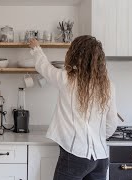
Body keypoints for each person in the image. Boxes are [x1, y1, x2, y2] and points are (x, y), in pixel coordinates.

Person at [28, 35, 118, 180]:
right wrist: (96, 138)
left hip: (75, 155)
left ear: (75, 55)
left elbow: (43, 66)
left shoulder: (66, 79)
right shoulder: (108, 86)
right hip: (101, 158)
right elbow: (112, 124)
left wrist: (36, 48)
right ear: (99, 60)